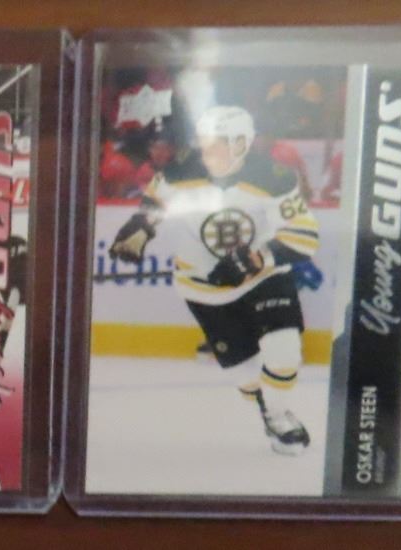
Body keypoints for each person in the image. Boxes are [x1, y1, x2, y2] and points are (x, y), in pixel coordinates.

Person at [110, 106, 318, 455]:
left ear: (241, 143)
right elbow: (154, 203)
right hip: (203, 288)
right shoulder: (179, 169)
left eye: (216, 143)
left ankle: (279, 416)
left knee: (285, 349)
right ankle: (266, 409)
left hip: (263, 278)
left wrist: (254, 260)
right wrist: (139, 229)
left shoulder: (275, 177)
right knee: (246, 376)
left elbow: (304, 236)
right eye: (204, 141)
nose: (206, 149)